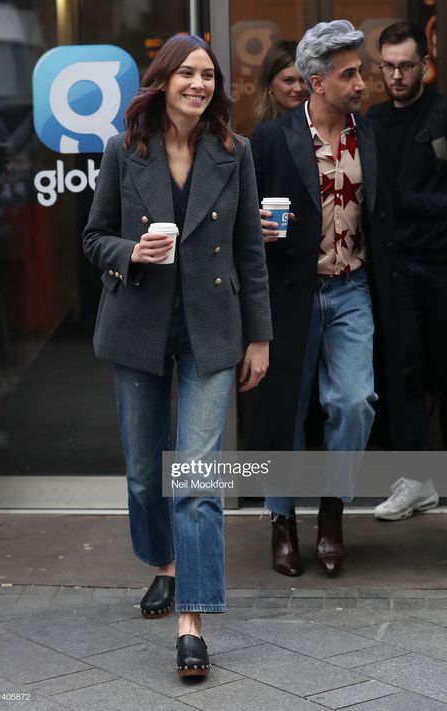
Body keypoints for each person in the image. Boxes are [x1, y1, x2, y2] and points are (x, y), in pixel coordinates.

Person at [83, 34, 272, 678]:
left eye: (209, 75)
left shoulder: (234, 153)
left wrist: (260, 337)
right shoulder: (122, 151)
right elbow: (93, 237)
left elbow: (251, 250)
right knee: (144, 473)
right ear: (162, 81)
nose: (200, 84)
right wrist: (130, 253)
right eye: (187, 73)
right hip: (138, 325)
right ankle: (163, 563)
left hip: (210, 331)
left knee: (195, 478)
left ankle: (192, 622)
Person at [246, 20, 403, 577]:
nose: (363, 81)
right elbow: (247, 219)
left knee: (354, 402)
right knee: (285, 409)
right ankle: (282, 520)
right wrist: (257, 231)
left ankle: (332, 511)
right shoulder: (270, 139)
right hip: (291, 290)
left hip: (353, 287)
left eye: (361, 70)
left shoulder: (371, 134)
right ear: (317, 83)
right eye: (350, 73)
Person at [366, 21, 446, 521]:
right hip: (393, 269)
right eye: (388, 66)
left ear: (423, 64)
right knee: (404, 375)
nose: (396, 75)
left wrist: (401, 203)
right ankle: (417, 482)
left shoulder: (441, 117)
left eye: (405, 66)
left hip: (440, 265)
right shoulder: (372, 121)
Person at [247, 39, 308, 134]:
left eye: (303, 80)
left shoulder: (320, 127)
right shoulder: (257, 130)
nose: (298, 88)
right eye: (288, 80)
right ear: (269, 84)